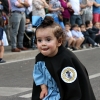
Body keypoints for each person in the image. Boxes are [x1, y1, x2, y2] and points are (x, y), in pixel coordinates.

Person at [31, 16, 96, 100]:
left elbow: (73, 89)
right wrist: (43, 87)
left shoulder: (66, 59)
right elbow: (38, 74)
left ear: (59, 41)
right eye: (39, 40)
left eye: (48, 40)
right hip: (49, 95)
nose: (43, 44)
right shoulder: (40, 58)